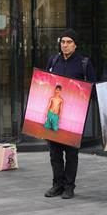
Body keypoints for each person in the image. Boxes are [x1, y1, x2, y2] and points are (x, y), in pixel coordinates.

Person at [43, 28, 96, 199]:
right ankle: (57, 184)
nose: (65, 45)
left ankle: (69, 186)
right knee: (55, 153)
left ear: (75, 45)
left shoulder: (84, 63)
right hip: (55, 113)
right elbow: (46, 83)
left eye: (69, 42)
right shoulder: (54, 60)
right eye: (63, 42)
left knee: (71, 153)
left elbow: (92, 88)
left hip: (74, 116)